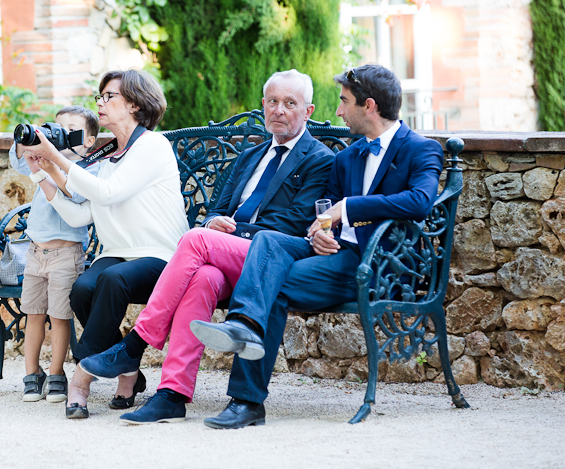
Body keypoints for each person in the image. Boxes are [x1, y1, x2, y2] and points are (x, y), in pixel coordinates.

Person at [191, 64, 444, 429]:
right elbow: (324, 212)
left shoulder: (420, 150)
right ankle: (243, 345)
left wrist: (350, 208)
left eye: (344, 102)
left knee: (273, 284)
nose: (339, 111)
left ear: (368, 105)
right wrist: (319, 233)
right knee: (268, 241)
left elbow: (420, 201)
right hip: (336, 255)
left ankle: (245, 390)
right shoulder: (347, 157)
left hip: (381, 265)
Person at [77, 70, 336, 424]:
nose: (279, 110)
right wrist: (215, 222)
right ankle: (172, 394)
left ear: (307, 111)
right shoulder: (249, 156)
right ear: (263, 105)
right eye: (272, 102)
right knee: (202, 277)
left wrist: (225, 233)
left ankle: (134, 345)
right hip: (229, 256)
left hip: (272, 258)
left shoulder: (319, 159)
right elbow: (218, 206)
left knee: (196, 240)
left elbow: (292, 224)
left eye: (290, 103)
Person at [24, 68, 189, 419]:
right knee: (82, 288)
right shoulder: (109, 155)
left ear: (134, 104)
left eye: (108, 96)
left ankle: (82, 378)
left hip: (161, 254)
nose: (99, 102)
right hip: (117, 253)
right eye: (100, 97)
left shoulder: (151, 146)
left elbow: (107, 192)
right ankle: (128, 370)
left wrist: (55, 156)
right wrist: (42, 171)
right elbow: (80, 216)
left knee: (112, 281)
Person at [9, 106, 100, 403]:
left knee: (60, 317)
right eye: (57, 129)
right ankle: (32, 374)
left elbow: (80, 195)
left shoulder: (89, 169)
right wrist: (31, 139)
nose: (61, 135)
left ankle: (57, 372)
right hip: (36, 252)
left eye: (71, 130)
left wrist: (52, 167)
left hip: (65, 255)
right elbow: (18, 159)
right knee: (32, 315)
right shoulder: (42, 159)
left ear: (89, 140)